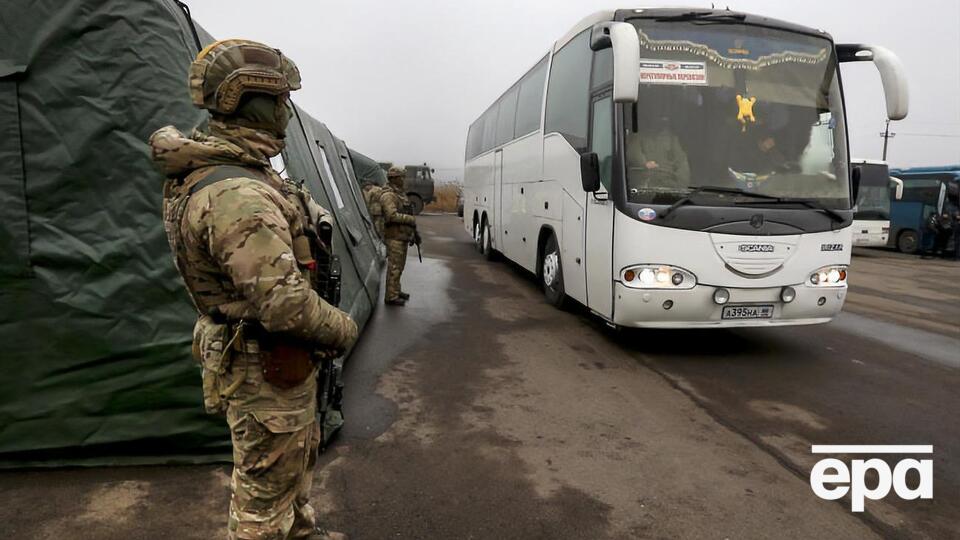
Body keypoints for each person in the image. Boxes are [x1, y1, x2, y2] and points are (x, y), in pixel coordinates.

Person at [150, 39, 356, 540]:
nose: (287, 112)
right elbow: (284, 303)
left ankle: (301, 533)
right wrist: (342, 330)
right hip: (263, 358)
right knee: (262, 498)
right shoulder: (238, 192)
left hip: (269, 357)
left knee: (293, 464)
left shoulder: (240, 173)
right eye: (280, 101)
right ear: (254, 101)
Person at [624, 115, 690, 197]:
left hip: (668, 186)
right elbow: (632, 152)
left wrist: (681, 186)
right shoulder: (639, 137)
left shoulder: (671, 139)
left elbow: (681, 162)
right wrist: (644, 164)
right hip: (646, 186)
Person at [379, 167, 417, 305]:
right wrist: (409, 219)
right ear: (394, 178)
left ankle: (395, 290)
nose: (403, 179)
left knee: (399, 267)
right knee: (394, 267)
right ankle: (391, 296)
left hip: (401, 236)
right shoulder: (388, 195)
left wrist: (412, 233)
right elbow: (391, 216)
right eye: (401, 177)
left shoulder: (399, 194)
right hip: (394, 237)